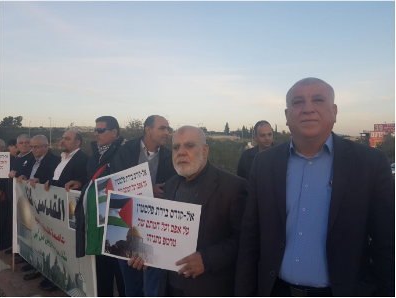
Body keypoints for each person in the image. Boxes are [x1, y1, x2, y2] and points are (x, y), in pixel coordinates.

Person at [235, 77, 395, 296]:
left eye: (318, 100)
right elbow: (250, 237)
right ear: (286, 115)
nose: (308, 109)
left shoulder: (370, 163)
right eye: (298, 102)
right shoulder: (263, 164)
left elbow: (386, 244)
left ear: (335, 111)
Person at [129, 126, 248, 296]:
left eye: (189, 146)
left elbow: (244, 239)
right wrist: (149, 255)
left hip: (208, 288)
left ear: (205, 150)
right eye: (176, 147)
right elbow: (166, 235)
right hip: (169, 288)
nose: (181, 152)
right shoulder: (170, 185)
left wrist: (207, 259)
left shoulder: (233, 187)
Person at [112, 115, 177, 297]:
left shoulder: (169, 155)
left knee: (155, 281)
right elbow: (115, 184)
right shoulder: (126, 151)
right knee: (130, 279)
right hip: (126, 226)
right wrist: (148, 189)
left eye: (168, 129)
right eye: (162, 128)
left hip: (156, 228)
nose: (167, 132)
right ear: (148, 130)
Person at [72, 116, 125, 297]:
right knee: (102, 273)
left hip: (117, 224)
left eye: (100, 130)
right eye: (95, 130)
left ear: (114, 133)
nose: (96, 133)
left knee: (122, 275)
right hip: (98, 222)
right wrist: (80, 183)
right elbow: (91, 180)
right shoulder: (95, 154)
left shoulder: (125, 153)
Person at [37, 130, 89, 291]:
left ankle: (68, 281)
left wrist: (79, 182)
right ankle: (53, 276)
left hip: (69, 212)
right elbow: (58, 180)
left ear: (77, 143)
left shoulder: (83, 159)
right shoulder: (62, 159)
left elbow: (84, 179)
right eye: (62, 138)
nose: (62, 141)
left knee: (67, 247)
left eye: (67, 139)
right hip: (55, 210)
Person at [16, 135, 61, 281]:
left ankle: (47, 272)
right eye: (32, 146)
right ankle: (35, 263)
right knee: (34, 236)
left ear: (46, 146)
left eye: (36, 147)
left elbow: (54, 181)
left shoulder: (55, 161)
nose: (33, 149)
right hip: (31, 206)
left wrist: (41, 181)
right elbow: (29, 176)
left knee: (46, 241)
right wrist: (23, 176)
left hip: (46, 208)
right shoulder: (32, 161)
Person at [4, 135, 34, 255]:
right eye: (21, 143)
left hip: (24, 199)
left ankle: (23, 251)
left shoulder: (32, 158)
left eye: (27, 142)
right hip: (13, 197)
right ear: (17, 145)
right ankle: (16, 246)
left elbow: (27, 175)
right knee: (15, 223)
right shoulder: (17, 158)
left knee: (24, 226)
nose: (24, 145)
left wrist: (16, 174)